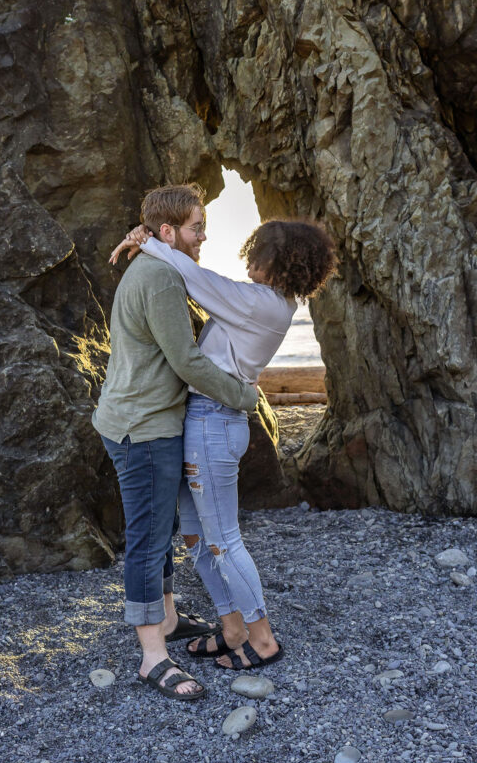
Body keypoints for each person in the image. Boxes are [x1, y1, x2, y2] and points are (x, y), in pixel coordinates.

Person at [109, 215, 337, 672]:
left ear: (279, 261)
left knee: (224, 542)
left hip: (214, 422)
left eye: (258, 254)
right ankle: (232, 630)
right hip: (205, 421)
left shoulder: (262, 303)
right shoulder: (265, 301)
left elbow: (197, 279)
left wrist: (149, 241)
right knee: (197, 539)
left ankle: (263, 639)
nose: (250, 262)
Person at [93, 184, 259, 702]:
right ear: (168, 232)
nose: (204, 236)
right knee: (147, 539)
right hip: (143, 427)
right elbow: (186, 361)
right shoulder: (161, 276)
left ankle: (165, 619)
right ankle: (152, 658)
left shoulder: (152, 262)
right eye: (196, 228)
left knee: (159, 529)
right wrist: (243, 396)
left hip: (134, 418)